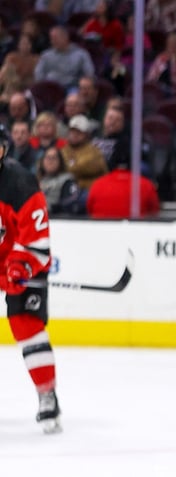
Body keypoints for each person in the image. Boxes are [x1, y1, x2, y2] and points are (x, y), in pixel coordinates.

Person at [0, 126, 62, 434]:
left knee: (26, 325)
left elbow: (36, 236)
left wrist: (20, 265)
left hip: (17, 263)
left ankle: (47, 394)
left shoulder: (20, 182)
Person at [86, 151, 160, 218]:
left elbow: (90, 210)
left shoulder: (98, 184)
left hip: (101, 230)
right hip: (135, 230)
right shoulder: (146, 184)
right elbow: (154, 213)